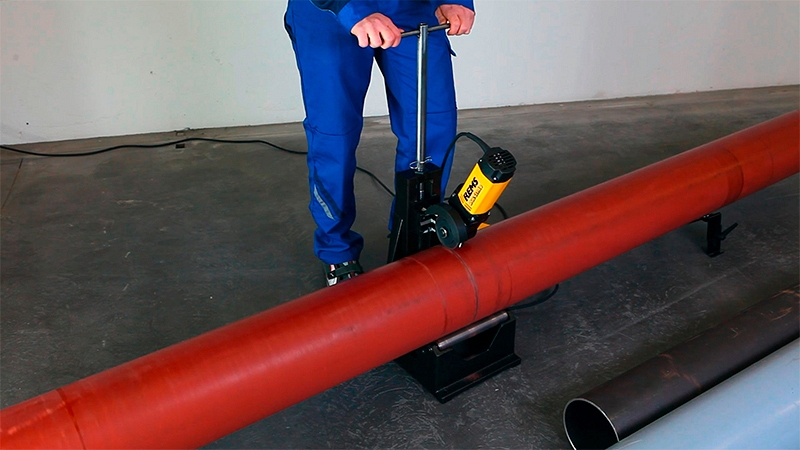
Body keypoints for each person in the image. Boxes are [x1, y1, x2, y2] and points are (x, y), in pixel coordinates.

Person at [284, 0, 475, 286]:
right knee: (334, 135)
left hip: (411, 8)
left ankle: (413, 235)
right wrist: (350, 9)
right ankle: (337, 251)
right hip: (330, 14)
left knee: (431, 124)